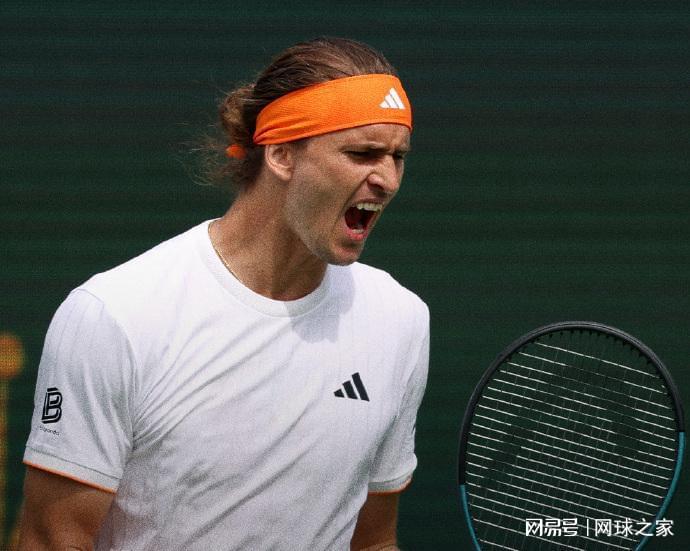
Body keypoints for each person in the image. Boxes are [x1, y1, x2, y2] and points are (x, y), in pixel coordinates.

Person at [18, 36, 430, 550]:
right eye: (362, 153)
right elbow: (51, 540)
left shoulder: (400, 320)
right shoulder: (114, 316)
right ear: (281, 154)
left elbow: (372, 541)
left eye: (398, 157)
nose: (388, 179)